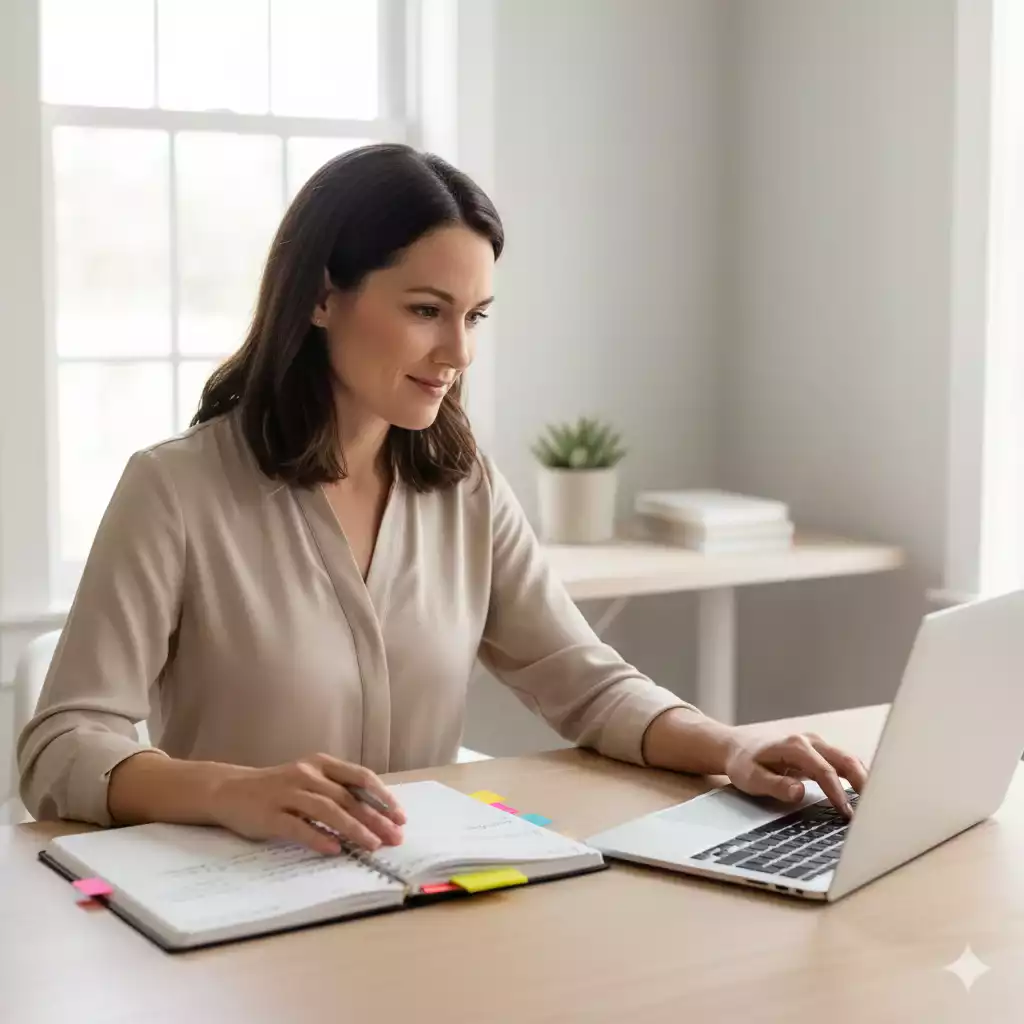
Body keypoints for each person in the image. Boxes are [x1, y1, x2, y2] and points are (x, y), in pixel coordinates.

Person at [18, 144, 866, 855]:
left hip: (416, 895)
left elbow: (584, 682)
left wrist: (733, 744)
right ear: (321, 297)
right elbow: (63, 743)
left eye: (476, 317)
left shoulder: (462, 486)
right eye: (427, 310)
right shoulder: (176, 490)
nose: (456, 350)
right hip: (234, 908)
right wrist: (231, 792)